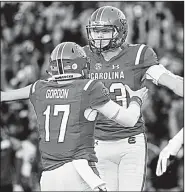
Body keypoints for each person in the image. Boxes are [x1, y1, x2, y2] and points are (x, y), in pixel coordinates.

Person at [1, 42, 148, 191]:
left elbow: (5, 96)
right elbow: (129, 120)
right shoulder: (88, 88)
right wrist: (136, 100)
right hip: (79, 171)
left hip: (48, 177)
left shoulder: (39, 88)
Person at [84, 5, 183, 191]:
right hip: (97, 143)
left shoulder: (138, 55)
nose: (98, 36)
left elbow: (169, 80)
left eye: (105, 31)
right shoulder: (84, 57)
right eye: (95, 31)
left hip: (129, 143)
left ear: (120, 32)